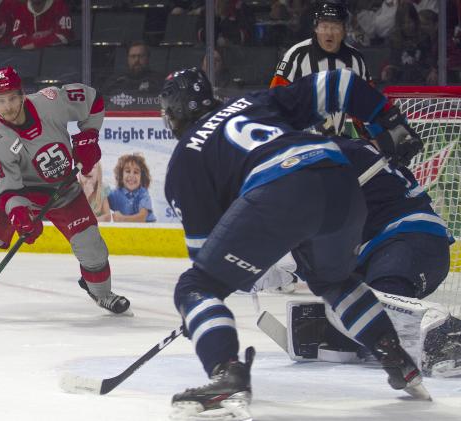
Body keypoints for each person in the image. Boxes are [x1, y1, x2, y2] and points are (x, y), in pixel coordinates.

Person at [160, 67, 426, 419]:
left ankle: (227, 374)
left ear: (174, 114)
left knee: (195, 287)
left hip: (281, 190)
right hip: (340, 179)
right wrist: (385, 116)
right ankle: (395, 356)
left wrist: (201, 313)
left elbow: (207, 260)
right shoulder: (251, 101)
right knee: (334, 280)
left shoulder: (185, 160)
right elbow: (337, 83)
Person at [0, 66, 131, 316]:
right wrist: (19, 214)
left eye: (11, 98)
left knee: (91, 246)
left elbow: (93, 99)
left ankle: (102, 294)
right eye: (0, 101)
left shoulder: (51, 102)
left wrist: (88, 136)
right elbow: (8, 189)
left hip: (63, 190)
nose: (7, 107)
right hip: (21, 193)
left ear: (22, 95)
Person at [254, 137, 458, 377]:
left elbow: (309, 228)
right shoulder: (307, 160)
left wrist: (269, 261)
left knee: (381, 305)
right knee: (340, 340)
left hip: (412, 239)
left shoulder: (336, 153)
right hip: (371, 256)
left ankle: (449, 335)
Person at [270, 0, 371, 136]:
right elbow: (275, 99)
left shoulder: (356, 59)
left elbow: (366, 102)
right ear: (316, 28)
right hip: (300, 143)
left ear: (344, 30)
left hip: (337, 143)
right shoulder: (296, 55)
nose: (329, 33)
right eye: (324, 26)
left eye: (335, 27)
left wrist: (366, 135)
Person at [381, 1, 437, 85]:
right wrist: (387, 70)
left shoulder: (424, 37)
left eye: (409, 22)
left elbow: (428, 60)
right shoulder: (393, 39)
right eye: (403, 23)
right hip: (399, 83)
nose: (407, 26)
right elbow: (392, 62)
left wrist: (432, 70)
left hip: (420, 82)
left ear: (415, 21)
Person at [108, 153, 156, 223]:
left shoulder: (143, 194)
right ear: (121, 176)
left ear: (141, 178)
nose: (131, 175)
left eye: (136, 172)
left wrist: (122, 219)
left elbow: (142, 217)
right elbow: (100, 202)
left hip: (146, 230)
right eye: (128, 171)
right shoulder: (114, 194)